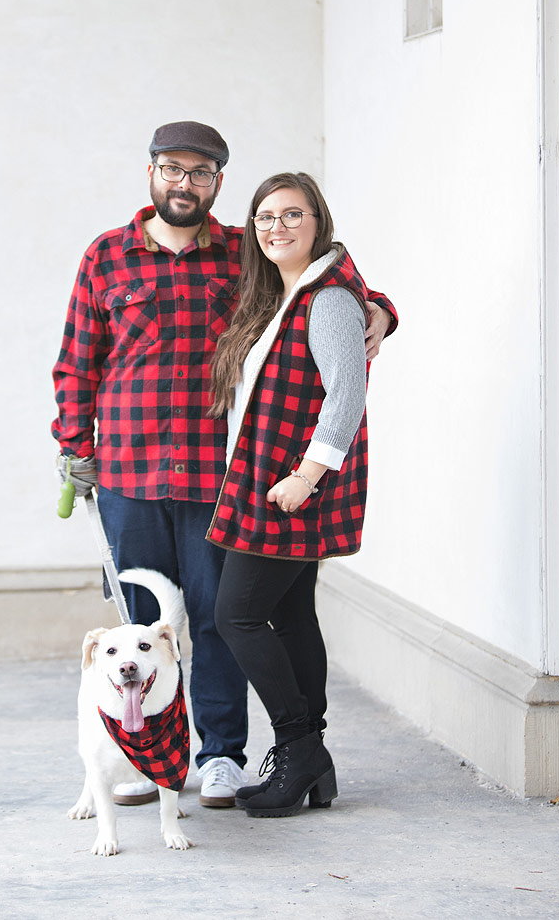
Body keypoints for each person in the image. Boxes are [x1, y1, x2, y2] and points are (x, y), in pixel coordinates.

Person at [52, 123, 397, 808]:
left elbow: (325, 285)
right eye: (172, 169)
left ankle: (219, 756)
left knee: (218, 619)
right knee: (143, 629)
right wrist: (73, 445)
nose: (184, 183)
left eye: (200, 172)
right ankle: (150, 759)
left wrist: (381, 312)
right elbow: (77, 358)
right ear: (151, 172)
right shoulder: (106, 256)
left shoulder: (245, 252)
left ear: (217, 182)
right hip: (127, 472)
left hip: (220, 473)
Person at [210, 171, 383, 817]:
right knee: (290, 616)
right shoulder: (279, 295)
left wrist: (306, 476)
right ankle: (312, 762)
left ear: (318, 223)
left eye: (292, 215)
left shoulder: (328, 299)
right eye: (265, 217)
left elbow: (346, 395)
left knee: (237, 616)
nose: (276, 227)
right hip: (268, 481)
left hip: (292, 486)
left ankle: (298, 746)